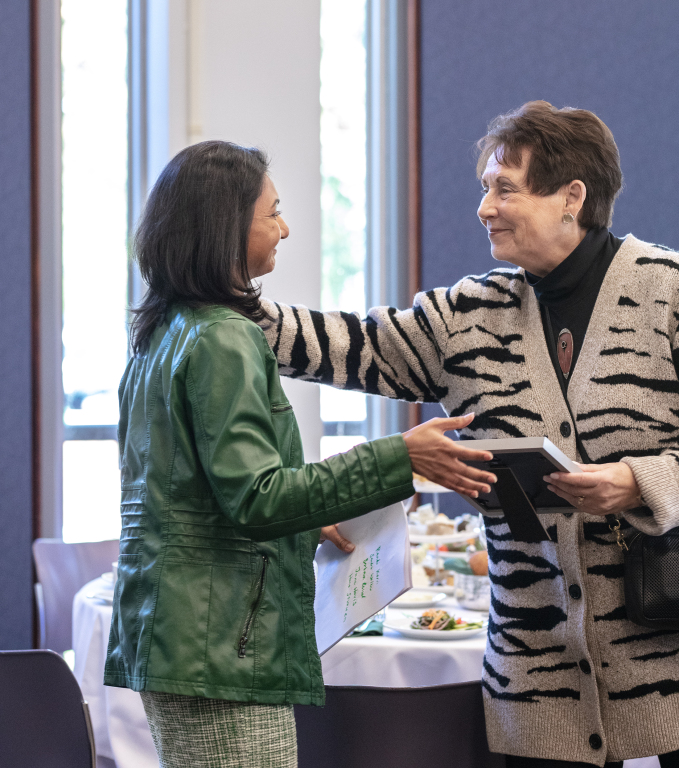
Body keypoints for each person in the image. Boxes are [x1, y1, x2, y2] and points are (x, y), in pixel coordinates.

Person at [260, 102, 679, 767]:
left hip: (666, 660)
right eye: (484, 189)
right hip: (536, 682)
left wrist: (641, 481)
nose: (484, 207)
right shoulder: (467, 314)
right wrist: (217, 294)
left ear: (572, 196)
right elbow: (347, 344)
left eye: (503, 188)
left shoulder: (666, 293)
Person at [103, 140, 496, 768]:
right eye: (273, 212)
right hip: (220, 649)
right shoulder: (225, 338)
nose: (284, 228)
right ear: (225, 227)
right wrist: (398, 457)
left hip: (180, 637)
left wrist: (306, 522)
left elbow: (184, 493)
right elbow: (258, 498)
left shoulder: (165, 330)